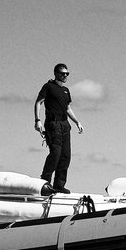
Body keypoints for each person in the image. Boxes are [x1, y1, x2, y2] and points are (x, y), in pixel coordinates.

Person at [33, 62, 83, 194]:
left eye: (67, 74)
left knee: (66, 156)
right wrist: (37, 121)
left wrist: (77, 122)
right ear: (56, 74)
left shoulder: (66, 91)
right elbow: (38, 102)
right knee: (56, 153)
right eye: (62, 73)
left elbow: (67, 108)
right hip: (53, 124)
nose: (65, 76)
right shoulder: (48, 86)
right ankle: (44, 182)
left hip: (65, 125)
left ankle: (59, 185)